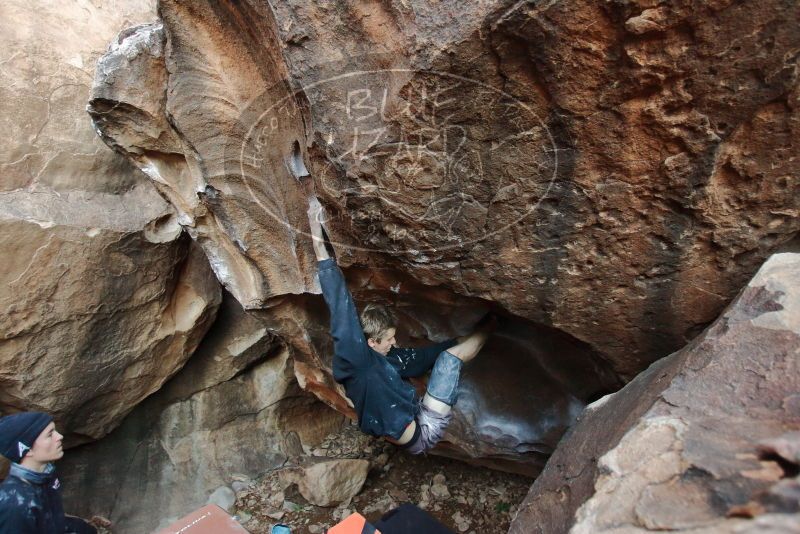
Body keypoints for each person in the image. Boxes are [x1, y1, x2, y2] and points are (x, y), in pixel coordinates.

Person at [307, 197, 494, 454]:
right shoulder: (357, 361)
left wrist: (455, 340)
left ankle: (477, 335)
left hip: (409, 417)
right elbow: (340, 306)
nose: (394, 343)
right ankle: (492, 329)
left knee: (442, 353)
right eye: (389, 339)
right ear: (371, 342)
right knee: (451, 360)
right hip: (424, 430)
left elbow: (421, 358)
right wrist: (317, 236)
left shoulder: (384, 359)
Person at [0, 412, 97, 533]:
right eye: (50, 434)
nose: (60, 436)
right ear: (27, 449)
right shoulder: (14, 506)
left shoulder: (45, 475)